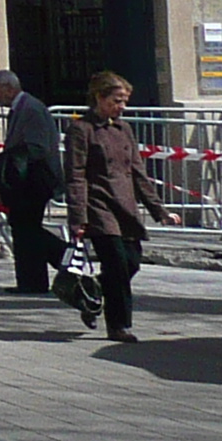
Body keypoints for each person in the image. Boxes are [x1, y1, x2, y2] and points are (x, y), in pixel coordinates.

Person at [64, 70, 165, 345]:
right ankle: (119, 325)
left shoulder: (124, 130)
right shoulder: (81, 130)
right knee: (118, 264)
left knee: (131, 262)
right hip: (98, 206)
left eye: (124, 101)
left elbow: (138, 172)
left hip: (125, 206)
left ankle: (93, 289)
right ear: (99, 97)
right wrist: (78, 217)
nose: (122, 107)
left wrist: (158, 209)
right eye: (117, 100)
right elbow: (75, 175)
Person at [0, 67, 67, 297]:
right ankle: (32, 280)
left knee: (27, 230)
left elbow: (37, 147)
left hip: (34, 180)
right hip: (24, 182)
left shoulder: (31, 109)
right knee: (23, 230)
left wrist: (10, 161)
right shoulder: (20, 108)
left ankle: (65, 257)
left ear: (9, 88)